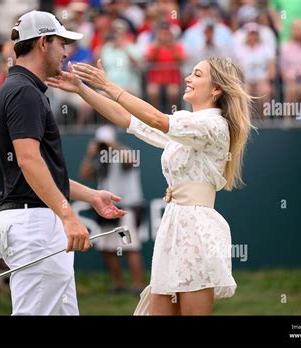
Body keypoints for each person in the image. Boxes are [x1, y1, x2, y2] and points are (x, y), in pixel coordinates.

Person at [46, 56, 253, 315]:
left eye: (197, 74)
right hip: (173, 225)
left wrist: (109, 86)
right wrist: (82, 89)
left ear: (216, 89)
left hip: (196, 230)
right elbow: (129, 120)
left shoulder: (213, 125)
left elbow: (155, 119)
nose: (188, 78)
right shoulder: (189, 122)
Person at [0, 10, 126, 316]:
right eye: (62, 43)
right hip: (36, 224)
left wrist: (90, 196)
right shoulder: (24, 92)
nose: (66, 51)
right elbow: (28, 161)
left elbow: (41, 170)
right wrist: (68, 216)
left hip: (35, 221)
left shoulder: (23, 89)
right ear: (43, 42)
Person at [79, 125, 145, 294]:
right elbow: (85, 174)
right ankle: (118, 284)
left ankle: (138, 285)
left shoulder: (124, 152)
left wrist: (113, 147)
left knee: (129, 246)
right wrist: (90, 154)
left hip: (126, 209)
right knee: (107, 248)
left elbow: (130, 161)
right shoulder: (99, 159)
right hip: (107, 209)